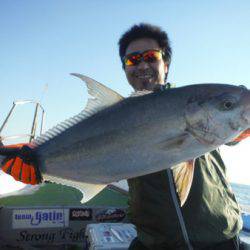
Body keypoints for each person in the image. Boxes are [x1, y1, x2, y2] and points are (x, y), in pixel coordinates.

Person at [118, 23, 243, 250]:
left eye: (151, 57)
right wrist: (36, 157)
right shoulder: (113, 118)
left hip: (220, 240)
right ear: (125, 69)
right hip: (155, 243)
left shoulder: (196, 102)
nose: (143, 64)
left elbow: (233, 130)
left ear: (165, 64)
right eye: (132, 60)